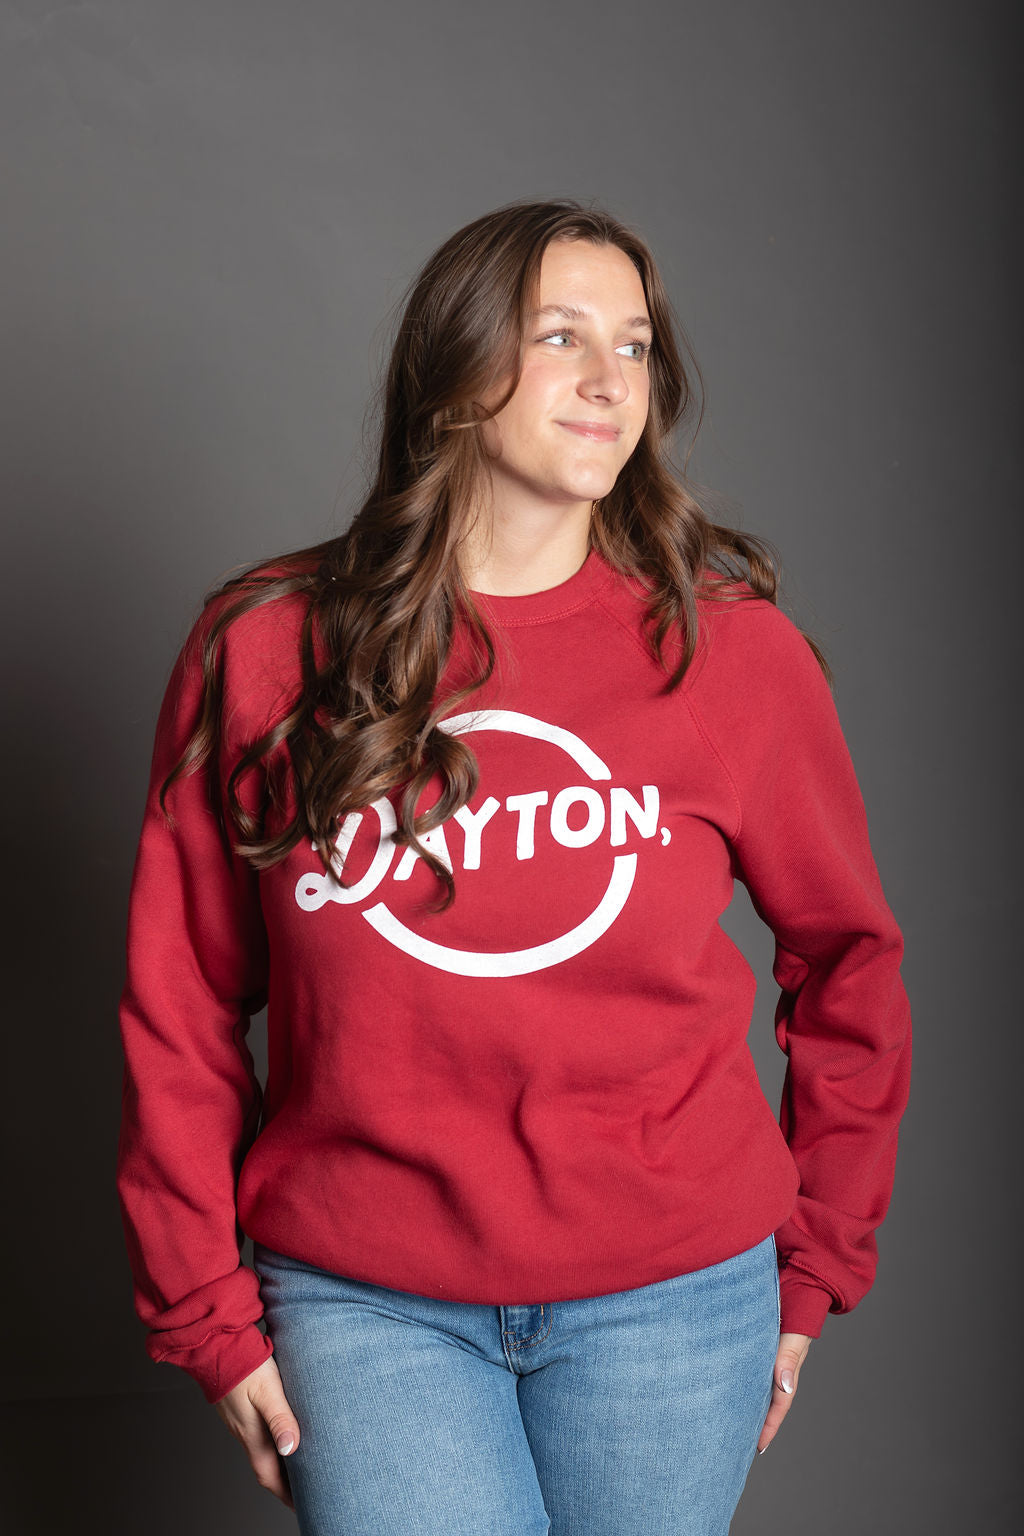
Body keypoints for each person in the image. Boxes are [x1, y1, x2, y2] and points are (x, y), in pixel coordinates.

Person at [115, 197, 912, 1535]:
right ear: (456, 371)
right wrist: (203, 1302)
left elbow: (850, 960)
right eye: (559, 337)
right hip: (362, 1298)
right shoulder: (265, 647)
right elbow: (179, 1000)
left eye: (635, 346)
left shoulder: (731, 655)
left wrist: (822, 1252)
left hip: (675, 1297)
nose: (610, 381)